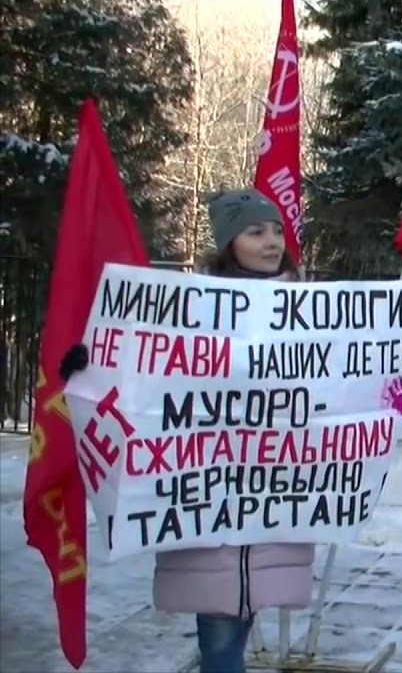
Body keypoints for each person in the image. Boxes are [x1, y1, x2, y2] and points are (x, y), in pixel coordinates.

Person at [61, 188, 315, 673]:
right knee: (220, 644)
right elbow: (134, 375)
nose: (272, 241)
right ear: (227, 243)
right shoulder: (187, 310)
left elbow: (351, 383)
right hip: (205, 514)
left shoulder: (307, 309)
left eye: (277, 230)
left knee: (228, 639)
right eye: (256, 231)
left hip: (273, 507)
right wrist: (83, 367)